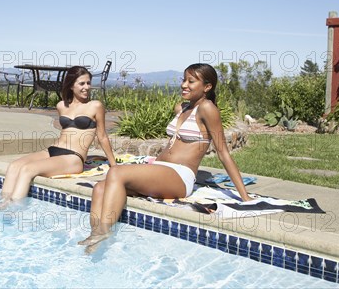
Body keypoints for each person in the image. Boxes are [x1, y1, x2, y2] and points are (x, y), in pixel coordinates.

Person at [79, 63, 254, 247]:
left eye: (191, 81)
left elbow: (223, 153)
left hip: (180, 175)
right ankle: (95, 240)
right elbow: (177, 120)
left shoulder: (208, 109)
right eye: (184, 80)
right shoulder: (183, 108)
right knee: (100, 187)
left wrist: (245, 197)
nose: (184, 84)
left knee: (116, 173)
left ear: (207, 87)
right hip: (159, 169)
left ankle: (103, 232)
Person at [0, 66, 117, 214]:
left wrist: (113, 164)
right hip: (54, 150)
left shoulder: (95, 106)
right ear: (71, 85)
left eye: (88, 83)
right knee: (14, 165)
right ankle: (2, 203)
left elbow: (102, 136)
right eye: (81, 84)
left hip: (73, 157)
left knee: (28, 170)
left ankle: (13, 210)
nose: (87, 87)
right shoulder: (61, 105)